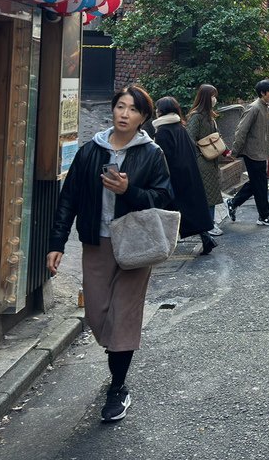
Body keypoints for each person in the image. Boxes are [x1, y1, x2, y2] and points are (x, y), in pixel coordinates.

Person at [46, 85, 172, 422]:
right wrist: (56, 243)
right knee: (98, 314)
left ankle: (117, 387)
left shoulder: (151, 153)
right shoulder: (91, 151)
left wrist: (129, 190)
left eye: (132, 109)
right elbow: (68, 198)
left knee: (124, 316)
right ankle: (115, 356)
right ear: (112, 109)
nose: (124, 114)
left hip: (134, 245)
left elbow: (162, 198)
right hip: (96, 243)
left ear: (144, 117)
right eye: (120, 106)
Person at [152, 96, 216, 254]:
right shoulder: (180, 127)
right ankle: (205, 235)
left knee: (172, 210)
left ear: (161, 111)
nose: (155, 111)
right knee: (190, 208)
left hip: (173, 176)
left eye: (157, 108)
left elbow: (162, 159)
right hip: (189, 173)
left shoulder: (163, 132)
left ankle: (166, 244)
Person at [226, 80, 269, 226]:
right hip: (252, 153)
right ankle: (264, 216)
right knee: (260, 184)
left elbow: (268, 133)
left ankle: (233, 202)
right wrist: (235, 151)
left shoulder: (266, 109)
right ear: (262, 93)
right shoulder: (253, 108)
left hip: (261, 153)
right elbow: (241, 131)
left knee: (257, 183)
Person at [186, 84, 225, 236]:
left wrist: (225, 150)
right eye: (212, 96)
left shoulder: (209, 115)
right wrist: (199, 155)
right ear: (206, 98)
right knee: (209, 194)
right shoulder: (197, 116)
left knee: (211, 193)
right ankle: (208, 224)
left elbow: (216, 136)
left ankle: (209, 222)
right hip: (203, 161)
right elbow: (190, 138)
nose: (215, 99)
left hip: (211, 159)